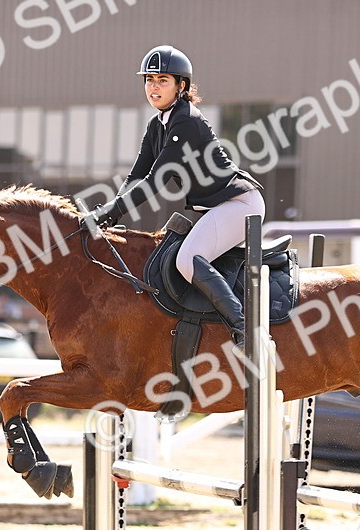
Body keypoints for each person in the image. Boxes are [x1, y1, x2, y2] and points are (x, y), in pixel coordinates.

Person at [91, 45, 264, 347]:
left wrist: (111, 212)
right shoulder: (158, 125)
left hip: (239, 205)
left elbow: (156, 179)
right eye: (149, 80)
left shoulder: (185, 120)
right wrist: (112, 212)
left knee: (187, 260)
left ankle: (244, 329)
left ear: (181, 86)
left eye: (162, 80)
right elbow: (136, 177)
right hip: (220, 208)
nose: (153, 87)